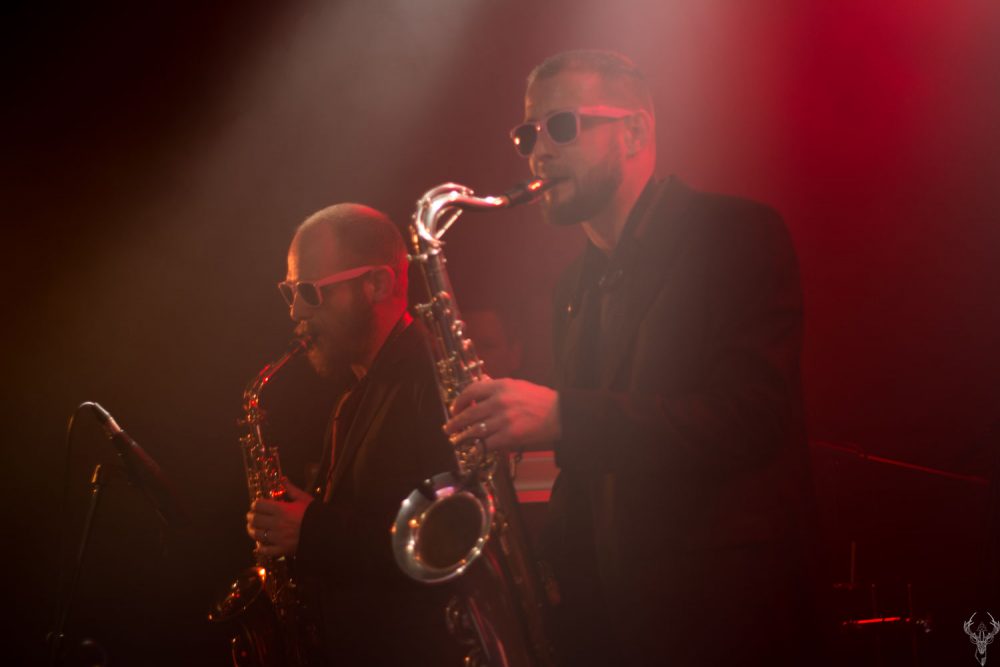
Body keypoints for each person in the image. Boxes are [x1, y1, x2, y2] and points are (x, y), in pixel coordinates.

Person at [445, 50, 817, 665]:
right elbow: (591, 475)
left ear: (635, 132)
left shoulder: (734, 232)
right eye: (528, 134)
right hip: (616, 630)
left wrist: (564, 416)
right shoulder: (573, 286)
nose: (538, 152)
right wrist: (530, 578)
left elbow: (751, 420)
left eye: (562, 126)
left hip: (727, 625)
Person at [245, 203, 462, 664]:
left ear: (376, 284)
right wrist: (296, 519)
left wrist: (313, 529)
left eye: (310, 292)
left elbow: (449, 542)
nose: (296, 312)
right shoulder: (357, 392)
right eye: (290, 292)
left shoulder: (433, 381)